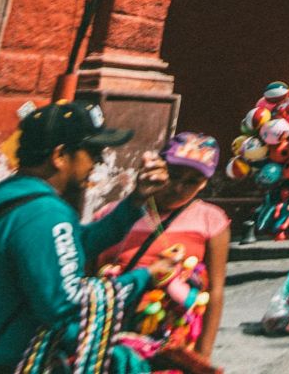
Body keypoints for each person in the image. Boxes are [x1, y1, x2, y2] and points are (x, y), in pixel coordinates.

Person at [0, 101, 173, 372]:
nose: (97, 163)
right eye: (93, 153)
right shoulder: (45, 213)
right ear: (60, 155)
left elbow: (77, 245)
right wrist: (145, 277)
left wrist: (136, 200)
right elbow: (66, 305)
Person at [95, 132, 231, 363]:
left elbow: (215, 291)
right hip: (112, 336)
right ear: (159, 167)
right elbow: (89, 275)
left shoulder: (211, 220)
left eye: (192, 181)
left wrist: (203, 354)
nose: (178, 188)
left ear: (204, 183)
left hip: (174, 341)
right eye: (174, 175)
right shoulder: (113, 214)